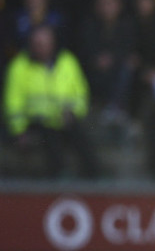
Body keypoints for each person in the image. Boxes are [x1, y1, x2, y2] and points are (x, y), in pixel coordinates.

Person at [3, 24, 99, 178]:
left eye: (46, 43)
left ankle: (94, 178)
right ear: (31, 45)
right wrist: (19, 130)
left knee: (82, 136)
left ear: (53, 43)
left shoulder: (67, 61)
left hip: (65, 118)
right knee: (49, 135)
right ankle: (57, 180)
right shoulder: (20, 66)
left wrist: (73, 112)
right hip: (35, 121)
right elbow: (13, 103)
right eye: (38, 44)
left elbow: (81, 93)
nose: (43, 48)